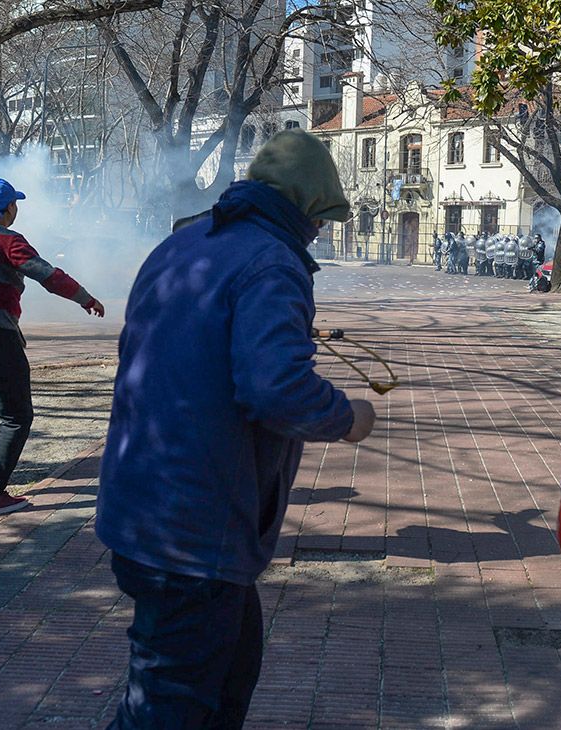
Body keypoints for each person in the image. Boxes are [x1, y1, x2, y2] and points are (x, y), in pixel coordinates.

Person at [96, 129, 377, 729]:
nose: (322, 231)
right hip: (194, 526)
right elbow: (275, 389)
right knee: (172, 703)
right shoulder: (272, 261)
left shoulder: (186, 242)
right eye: (321, 216)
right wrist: (347, 417)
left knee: (226, 671)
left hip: (141, 506)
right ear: (304, 205)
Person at [0, 178, 105, 517]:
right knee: (16, 415)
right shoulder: (9, 241)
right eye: (15, 204)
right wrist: (85, 298)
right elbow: (48, 275)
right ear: (8, 208)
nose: (16, 210)